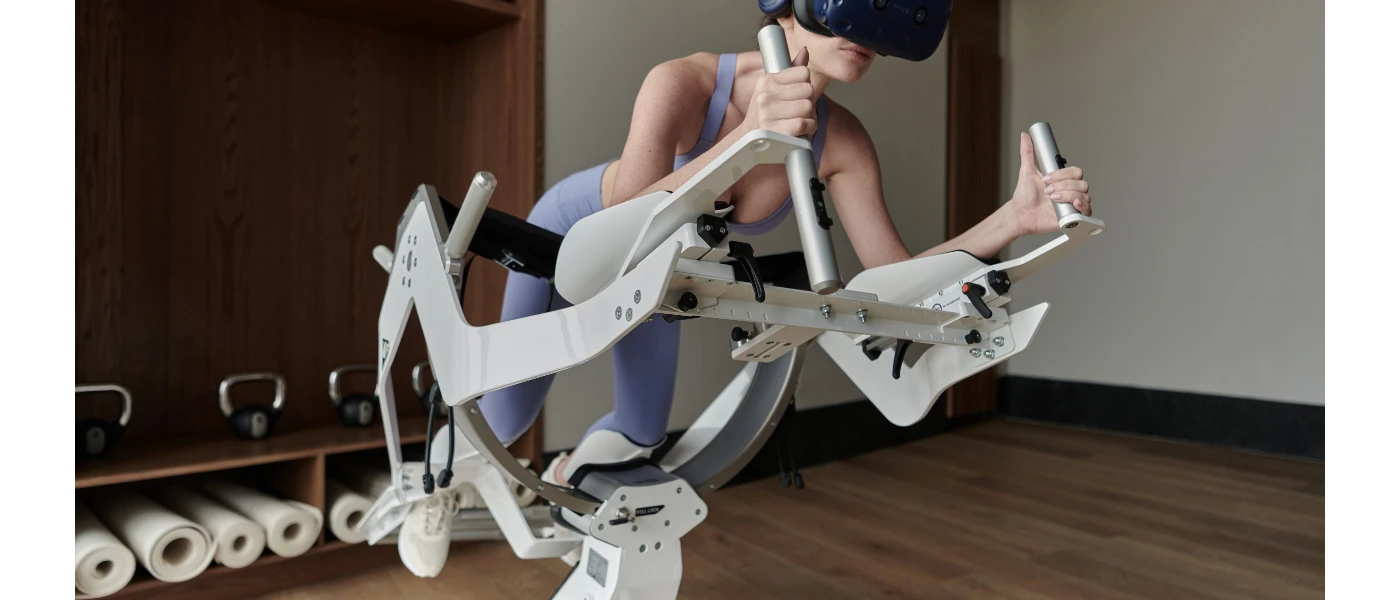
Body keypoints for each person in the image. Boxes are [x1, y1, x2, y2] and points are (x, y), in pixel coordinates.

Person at [399, 5, 1094, 575]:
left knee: (640, 432)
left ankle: (571, 472)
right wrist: (745, 140)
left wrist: (1013, 220)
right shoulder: (685, 82)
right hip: (576, 239)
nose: (867, 33)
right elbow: (623, 229)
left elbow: (892, 284)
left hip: (666, 275)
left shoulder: (842, 142)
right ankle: (429, 490)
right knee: (508, 411)